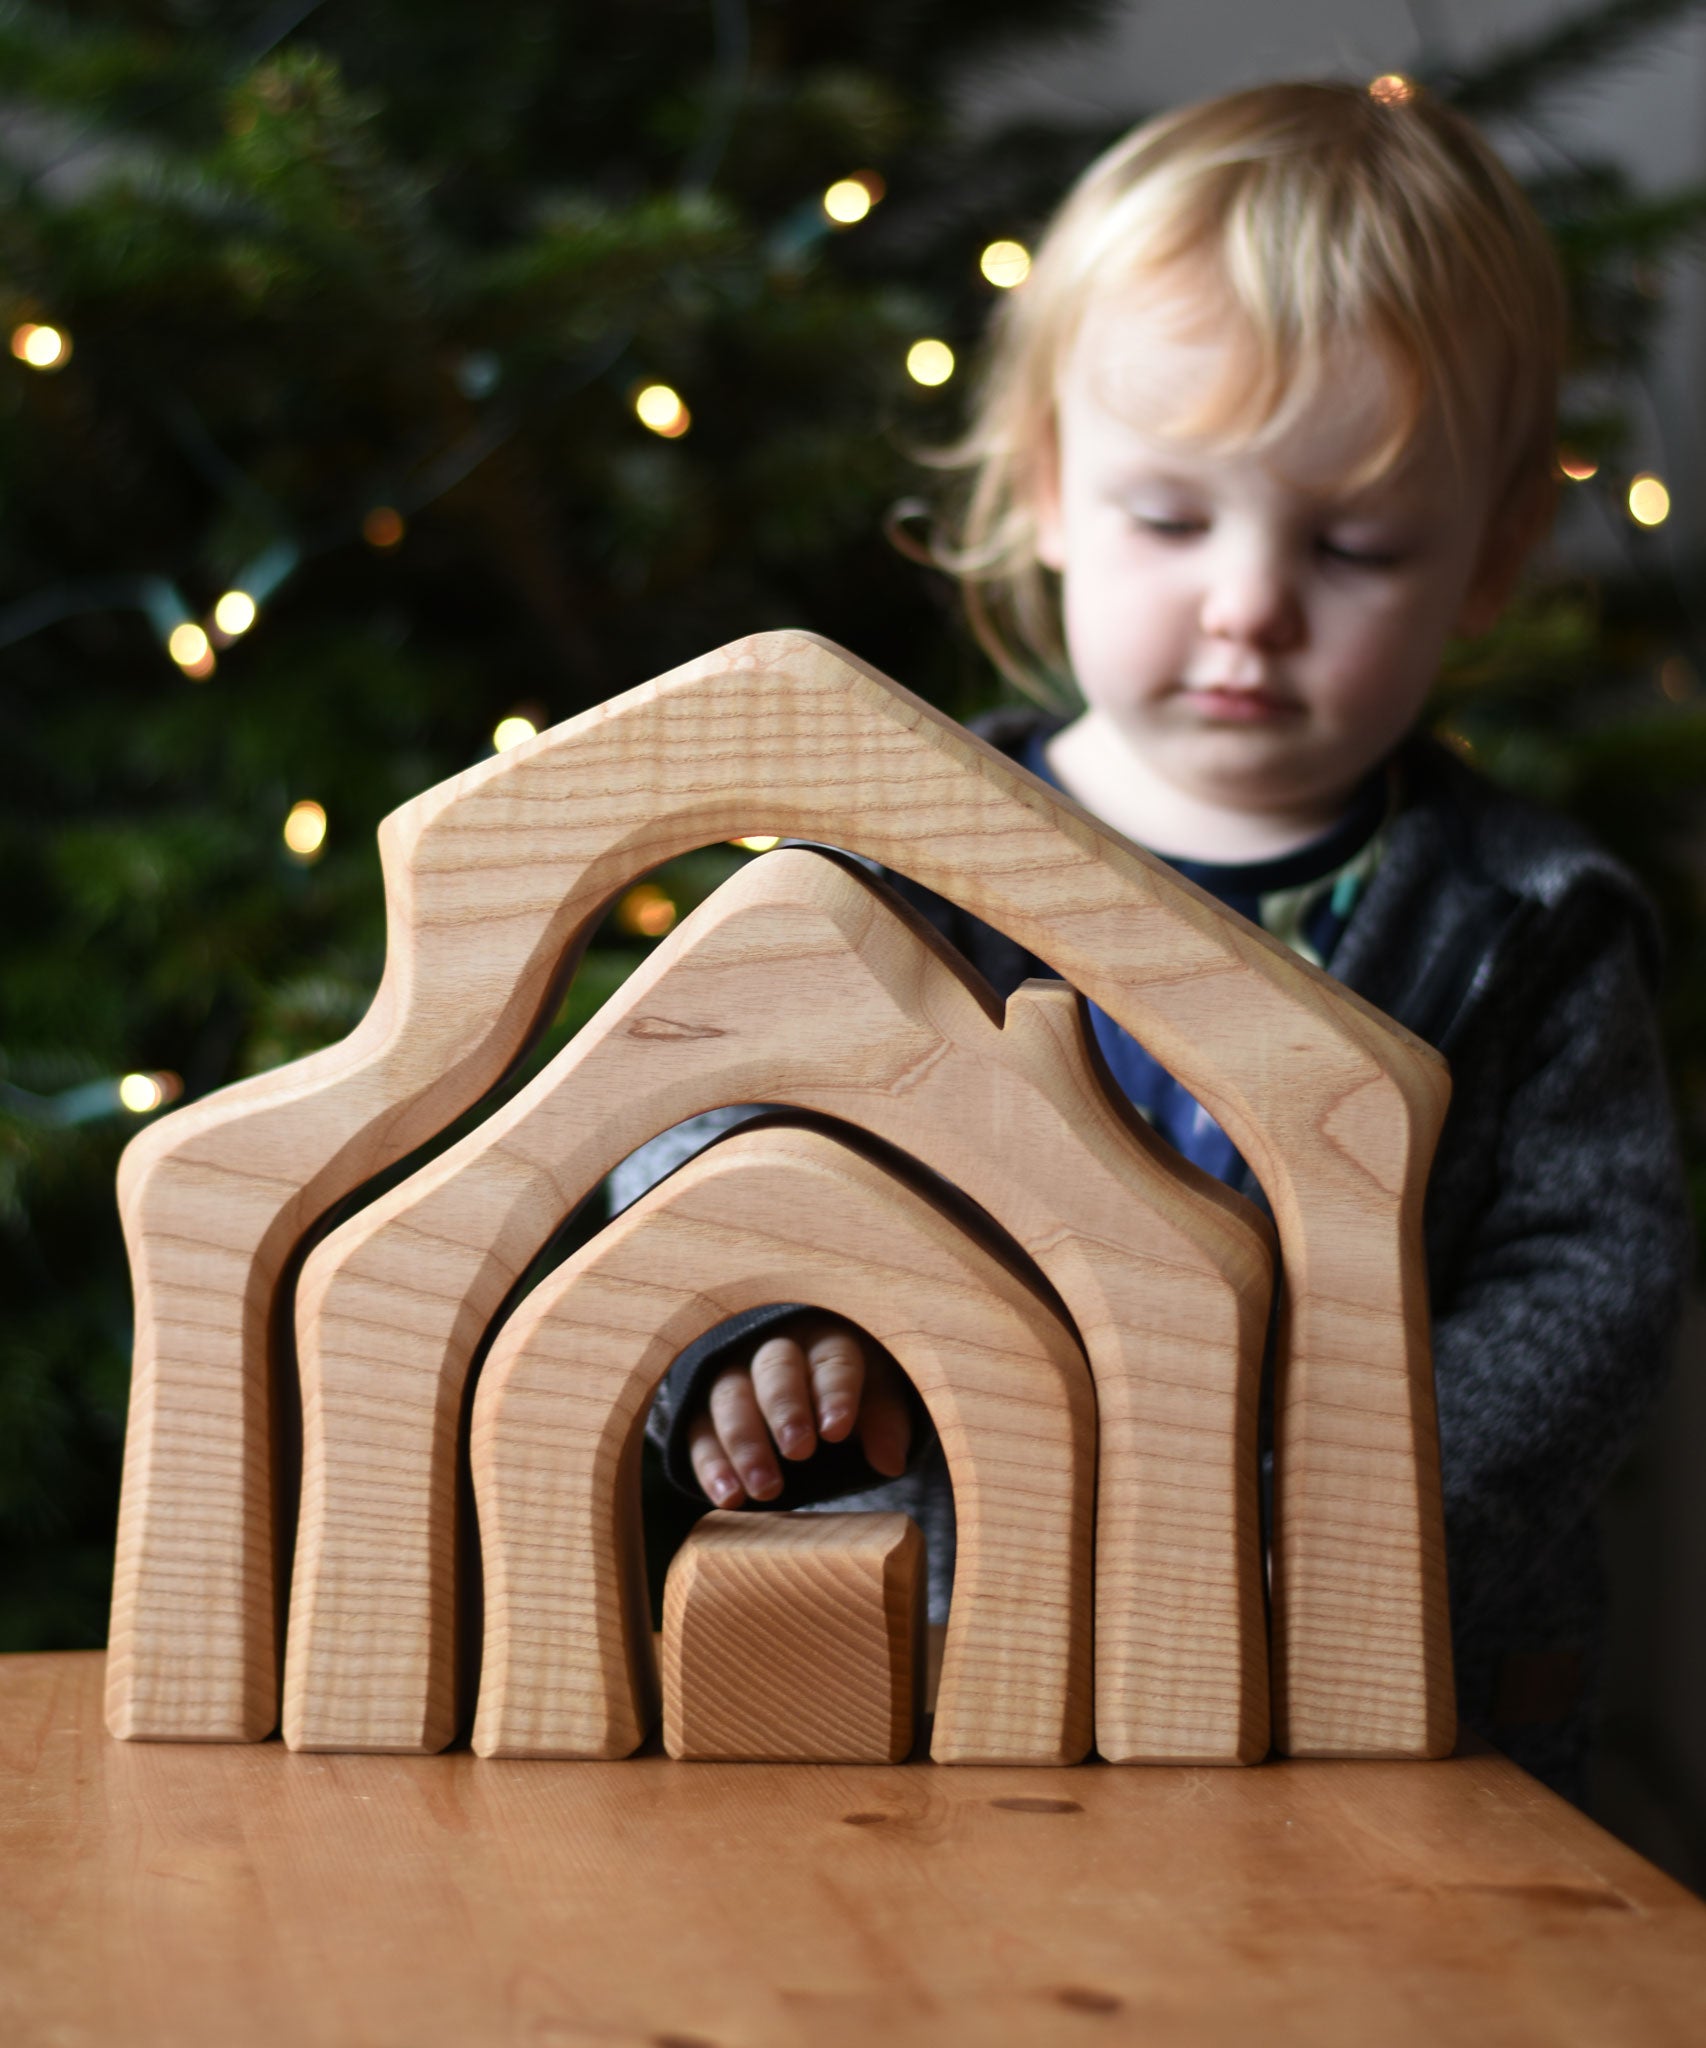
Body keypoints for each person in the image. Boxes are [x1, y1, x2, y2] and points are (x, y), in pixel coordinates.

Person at [615, 77, 1691, 1799]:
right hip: (936, 1680)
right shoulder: (904, 846)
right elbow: (687, 1101)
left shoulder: (1531, 927)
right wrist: (742, 1332)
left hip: (1383, 1713)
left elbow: (1588, 1287)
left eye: (1352, 544)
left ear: (1486, 560)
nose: (1249, 603)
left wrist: (1326, 1542)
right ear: (1047, 486)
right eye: (1172, 520)